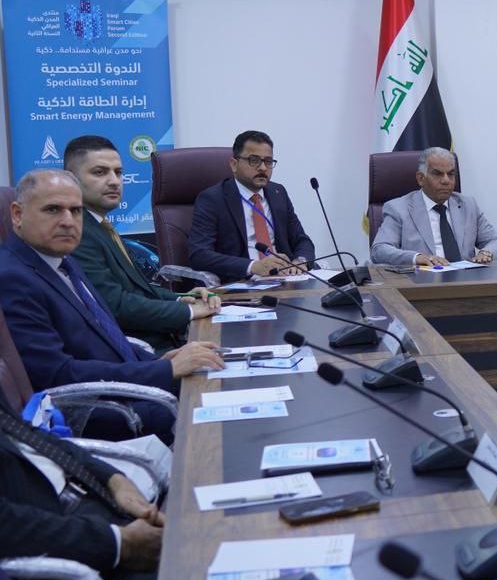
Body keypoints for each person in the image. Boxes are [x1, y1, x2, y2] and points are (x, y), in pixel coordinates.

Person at [0, 170, 223, 440]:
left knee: (217, 378)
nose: (68, 221)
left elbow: (105, 334)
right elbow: (57, 374)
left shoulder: (62, 260)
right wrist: (162, 370)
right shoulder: (12, 278)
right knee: (211, 414)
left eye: (76, 210)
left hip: (116, 385)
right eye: (53, 210)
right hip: (87, 411)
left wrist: (158, 361)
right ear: (17, 214)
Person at [64, 136, 221, 350]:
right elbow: (115, 305)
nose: (114, 181)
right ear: (71, 179)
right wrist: (190, 312)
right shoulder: (77, 232)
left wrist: (182, 298)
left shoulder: (99, 226)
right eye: (100, 172)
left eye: (118, 172)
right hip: (139, 351)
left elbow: (139, 291)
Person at [0, 396, 162, 580]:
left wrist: (114, 479)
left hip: (99, 501)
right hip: (70, 560)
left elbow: (25, 432)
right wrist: (118, 543)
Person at [188, 130, 315, 283]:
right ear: (234, 164)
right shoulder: (213, 199)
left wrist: (301, 260)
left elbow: (302, 240)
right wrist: (253, 266)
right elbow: (199, 255)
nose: (263, 168)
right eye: (254, 160)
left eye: (268, 161)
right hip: (242, 284)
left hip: (286, 281)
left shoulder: (278, 193)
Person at [370, 148, 497, 266]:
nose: (446, 180)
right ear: (421, 178)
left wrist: (487, 253)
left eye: (451, 174)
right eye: (437, 174)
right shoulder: (398, 208)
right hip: (422, 282)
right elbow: (380, 250)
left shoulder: (468, 205)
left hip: (465, 280)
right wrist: (417, 257)